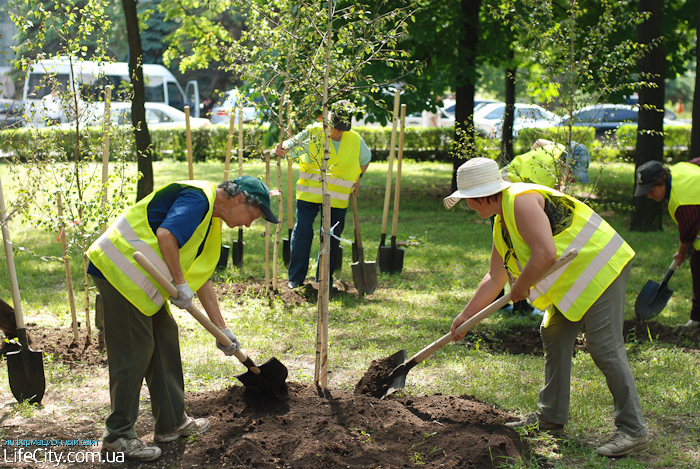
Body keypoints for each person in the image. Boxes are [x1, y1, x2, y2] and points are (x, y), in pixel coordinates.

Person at [444, 158, 650, 457]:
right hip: (576, 279)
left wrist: (521, 287)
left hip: (601, 266)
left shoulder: (521, 201)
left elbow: (544, 254)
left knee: (603, 345)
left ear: (481, 195)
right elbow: (494, 276)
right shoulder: (503, 223)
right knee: (553, 332)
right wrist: (466, 317)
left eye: (467, 201)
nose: (468, 207)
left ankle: (634, 430)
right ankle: (550, 418)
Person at [86, 176, 279, 462]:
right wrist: (178, 282)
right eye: (254, 215)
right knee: (135, 349)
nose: (250, 224)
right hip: (118, 270)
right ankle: (118, 436)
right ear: (240, 200)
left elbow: (201, 278)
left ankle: (171, 423)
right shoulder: (198, 200)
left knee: (164, 340)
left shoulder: (210, 221)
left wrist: (222, 330)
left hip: (141, 282)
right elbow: (166, 235)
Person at [276, 100, 371, 290]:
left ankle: (324, 279)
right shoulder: (312, 133)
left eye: (343, 128)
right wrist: (281, 148)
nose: (339, 131)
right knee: (303, 233)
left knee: (331, 237)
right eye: (336, 127)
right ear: (327, 119)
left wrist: (358, 177)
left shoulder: (355, 139)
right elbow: (287, 148)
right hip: (309, 195)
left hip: (337, 198)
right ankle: (295, 278)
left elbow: (365, 159)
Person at [497, 139, 591, 315]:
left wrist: (532, 155)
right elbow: (541, 206)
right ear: (565, 163)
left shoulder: (557, 150)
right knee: (516, 249)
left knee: (513, 250)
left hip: (509, 185)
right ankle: (519, 304)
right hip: (502, 193)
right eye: (571, 172)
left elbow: (539, 142)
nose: (572, 178)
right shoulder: (544, 176)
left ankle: (505, 300)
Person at [634, 159, 700, 331]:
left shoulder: (681, 201)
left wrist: (681, 253)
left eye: (651, 190)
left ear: (661, 182)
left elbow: (688, 234)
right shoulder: (681, 168)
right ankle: (697, 320)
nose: (649, 195)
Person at [502, 139, 590, 188]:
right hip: (507, 184)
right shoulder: (549, 176)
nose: (574, 180)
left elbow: (538, 142)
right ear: (567, 164)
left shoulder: (558, 148)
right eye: (574, 174)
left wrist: (531, 158)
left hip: (506, 171)